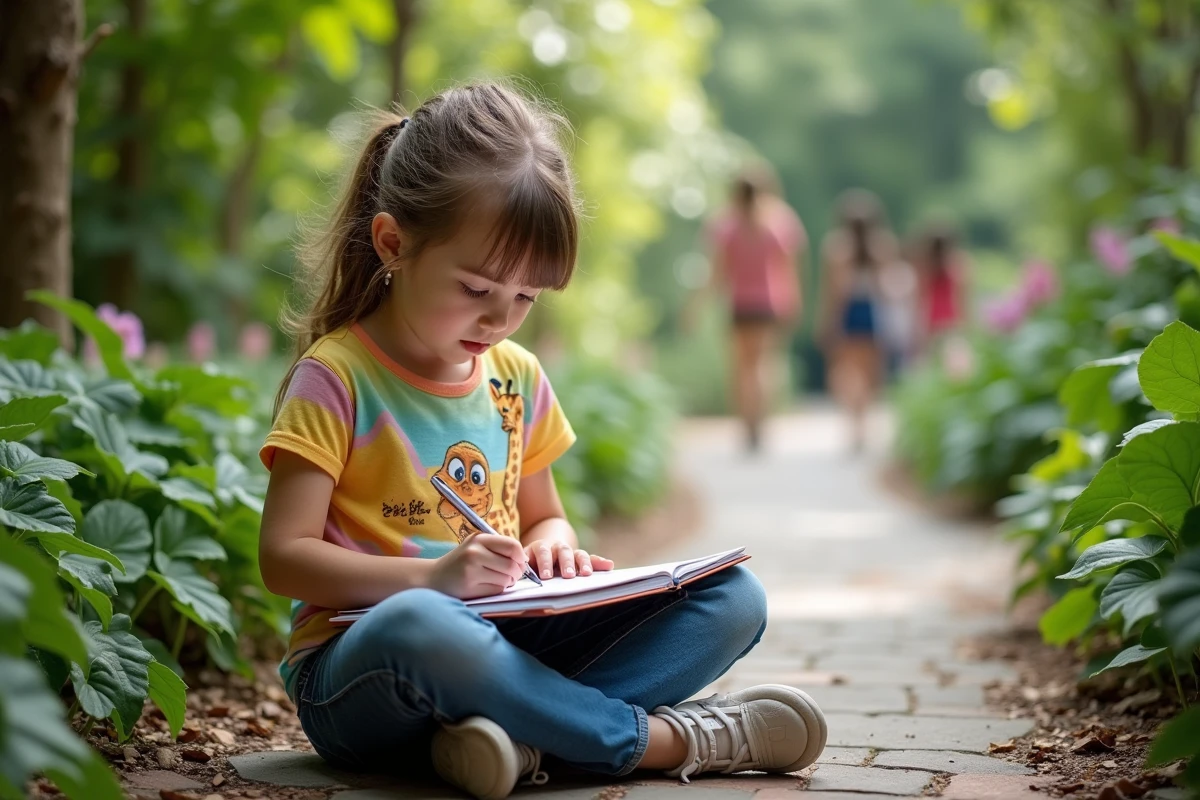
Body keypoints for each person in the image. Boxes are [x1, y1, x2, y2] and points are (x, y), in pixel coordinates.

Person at [257, 83, 828, 800]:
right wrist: (432, 580)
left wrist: (553, 543)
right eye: (475, 288)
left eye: (526, 297)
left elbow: (543, 515)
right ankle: (658, 742)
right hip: (366, 669)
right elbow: (284, 560)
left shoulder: (516, 380)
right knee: (424, 627)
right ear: (393, 244)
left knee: (734, 597)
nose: (500, 317)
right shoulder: (337, 377)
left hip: (505, 644)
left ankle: (510, 739)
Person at [706, 168, 806, 452]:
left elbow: (718, 272)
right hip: (770, 304)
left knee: (741, 367)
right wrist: (795, 302)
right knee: (765, 364)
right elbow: (789, 268)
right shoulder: (780, 221)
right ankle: (760, 422)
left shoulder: (725, 225)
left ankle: (747, 424)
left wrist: (703, 304)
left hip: (740, 304)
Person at [818, 189, 897, 453]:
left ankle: (854, 423)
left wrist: (829, 322)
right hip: (874, 314)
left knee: (847, 372)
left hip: (849, 314)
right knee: (869, 373)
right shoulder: (882, 247)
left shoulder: (836, 248)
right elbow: (887, 290)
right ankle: (862, 423)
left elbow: (834, 292)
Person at [910, 222, 968, 352]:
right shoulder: (957, 266)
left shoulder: (925, 268)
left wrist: (915, 329)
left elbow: (919, 301)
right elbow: (963, 301)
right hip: (952, 323)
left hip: (932, 324)